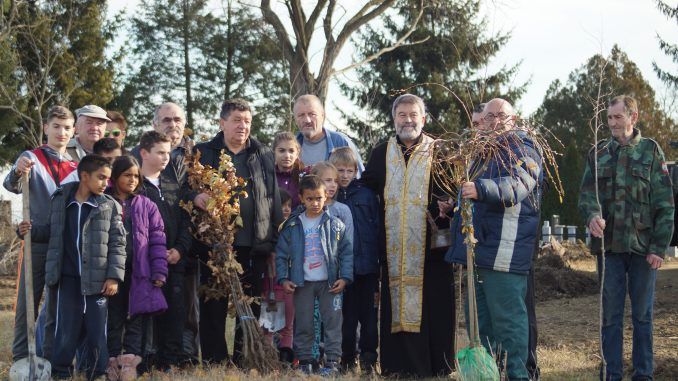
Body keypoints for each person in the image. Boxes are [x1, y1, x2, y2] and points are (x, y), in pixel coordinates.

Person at [578, 95, 674, 381]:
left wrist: (659, 247)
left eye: (618, 117)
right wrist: (593, 215)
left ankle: (643, 374)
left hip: (644, 250)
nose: (612, 123)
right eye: (609, 118)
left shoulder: (650, 152)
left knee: (643, 316)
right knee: (610, 318)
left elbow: (665, 204)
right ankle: (611, 374)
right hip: (609, 251)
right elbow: (586, 195)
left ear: (634, 117)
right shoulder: (597, 153)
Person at [446, 98, 543, 380]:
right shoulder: (483, 152)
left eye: (501, 116)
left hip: (506, 253)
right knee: (483, 326)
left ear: (514, 121)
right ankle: (491, 375)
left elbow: (519, 185)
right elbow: (473, 196)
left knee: (509, 325)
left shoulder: (523, 149)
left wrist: (480, 189)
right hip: (480, 252)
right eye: (489, 117)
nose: (495, 121)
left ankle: (517, 376)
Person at [361, 93, 454, 377]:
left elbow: (453, 188)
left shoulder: (439, 151)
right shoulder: (381, 152)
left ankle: (436, 366)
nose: (408, 120)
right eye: (402, 115)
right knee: (395, 307)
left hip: (432, 251)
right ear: (394, 119)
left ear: (423, 119)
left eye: (413, 115)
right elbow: (367, 188)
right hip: (393, 249)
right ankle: (396, 367)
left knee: (434, 308)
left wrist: (448, 203)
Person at [191, 98, 282, 365]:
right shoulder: (204, 152)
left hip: (254, 244)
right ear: (222, 123)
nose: (243, 126)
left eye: (247, 121)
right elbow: (187, 189)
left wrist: (273, 243)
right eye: (237, 121)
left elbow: (273, 199)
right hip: (215, 245)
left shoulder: (262, 153)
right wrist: (196, 196)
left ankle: (246, 359)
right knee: (213, 306)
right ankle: (215, 360)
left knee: (250, 306)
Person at [18, 155, 126, 380]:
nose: (106, 183)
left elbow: (118, 244)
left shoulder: (109, 206)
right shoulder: (60, 200)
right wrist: (30, 230)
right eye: (101, 178)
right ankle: (60, 372)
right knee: (66, 329)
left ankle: (97, 372)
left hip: (97, 282)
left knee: (97, 332)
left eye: (107, 178)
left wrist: (114, 277)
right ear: (84, 177)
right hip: (67, 279)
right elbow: (51, 233)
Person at [5, 106, 79, 363]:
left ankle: (47, 358)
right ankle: (21, 358)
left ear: (74, 131)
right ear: (46, 127)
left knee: (55, 307)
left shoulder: (75, 166)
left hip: (64, 245)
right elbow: (10, 185)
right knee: (28, 304)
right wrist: (17, 170)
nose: (62, 132)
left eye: (67, 127)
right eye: (56, 126)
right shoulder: (31, 158)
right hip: (36, 241)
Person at [131, 102, 198, 364]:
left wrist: (180, 249)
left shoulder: (174, 181)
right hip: (146, 262)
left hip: (175, 259)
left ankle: (173, 360)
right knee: (147, 314)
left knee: (177, 312)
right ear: (145, 152)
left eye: (177, 119)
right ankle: (148, 359)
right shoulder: (137, 186)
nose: (166, 157)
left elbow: (185, 218)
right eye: (160, 152)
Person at [275, 174, 353, 376]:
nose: (315, 203)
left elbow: (346, 253)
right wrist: (283, 278)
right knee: (303, 323)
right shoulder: (292, 225)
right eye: (309, 198)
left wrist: (344, 278)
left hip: (330, 283)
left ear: (326, 196)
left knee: (332, 323)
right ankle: (305, 361)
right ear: (300, 198)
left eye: (318, 198)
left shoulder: (335, 225)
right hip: (303, 283)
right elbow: (282, 255)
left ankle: (333, 361)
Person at [105, 155, 168, 381]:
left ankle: (130, 365)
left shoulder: (147, 205)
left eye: (135, 176)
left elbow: (158, 240)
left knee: (136, 318)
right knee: (113, 319)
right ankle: (111, 363)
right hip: (110, 274)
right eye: (126, 175)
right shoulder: (103, 201)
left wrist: (159, 271)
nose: (132, 180)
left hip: (139, 273)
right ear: (115, 177)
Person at [330, 147, 380, 374]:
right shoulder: (330, 197)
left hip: (368, 267)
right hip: (343, 270)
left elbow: (377, 228)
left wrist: (378, 266)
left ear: (356, 171)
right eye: (340, 170)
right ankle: (347, 359)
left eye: (350, 170)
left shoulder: (367, 195)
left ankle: (369, 360)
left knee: (369, 318)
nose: (345, 175)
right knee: (346, 319)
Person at [293, 94, 364, 174]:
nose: (307, 120)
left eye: (312, 114)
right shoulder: (289, 147)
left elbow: (360, 181)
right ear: (295, 119)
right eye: (301, 115)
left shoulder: (341, 142)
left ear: (322, 116)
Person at [273, 131, 304, 209]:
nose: (287, 155)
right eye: (282, 151)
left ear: (297, 153)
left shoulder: (305, 176)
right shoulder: (266, 176)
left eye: (291, 151)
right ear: (274, 152)